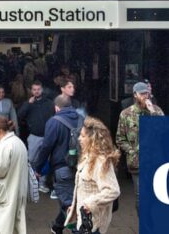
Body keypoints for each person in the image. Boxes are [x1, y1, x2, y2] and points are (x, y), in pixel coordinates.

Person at [65, 117, 120, 234]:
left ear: (92, 139)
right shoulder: (87, 157)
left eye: (83, 136)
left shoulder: (101, 161)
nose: (79, 139)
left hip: (94, 225)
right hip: (83, 220)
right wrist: (75, 207)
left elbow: (113, 190)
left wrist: (89, 204)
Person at [35, 95, 82, 234]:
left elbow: (46, 147)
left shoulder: (54, 122)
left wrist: (38, 167)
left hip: (62, 168)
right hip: (82, 167)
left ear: (56, 107)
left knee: (68, 205)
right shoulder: (82, 119)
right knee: (76, 202)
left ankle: (76, 231)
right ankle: (57, 227)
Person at [116, 81, 164, 214]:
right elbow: (120, 139)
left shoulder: (157, 110)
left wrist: (152, 112)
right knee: (141, 198)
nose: (145, 96)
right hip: (137, 163)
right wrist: (132, 151)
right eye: (142, 94)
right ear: (135, 95)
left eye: (147, 93)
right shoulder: (126, 114)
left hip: (155, 162)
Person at [0, 116, 28, 234]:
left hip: (5, 193)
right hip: (17, 191)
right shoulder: (19, 142)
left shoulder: (5, 145)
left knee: (2, 227)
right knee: (16, 226)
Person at [18, 81, 54, 193]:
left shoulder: (49, 103)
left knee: (45, 161)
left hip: (47, 136)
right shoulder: (29, 103)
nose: (36, 91)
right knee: (32, 160)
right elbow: (20, 115)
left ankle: (42, 184)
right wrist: (28, 104)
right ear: (31, 90)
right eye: (34, 89)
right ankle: (32, 182)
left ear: (42, 90)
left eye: (38, 89)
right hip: (33, 136)